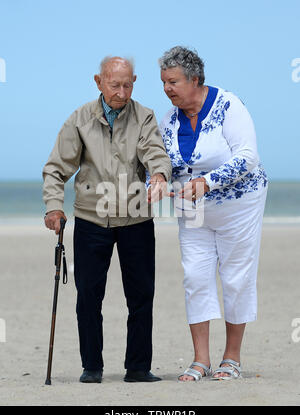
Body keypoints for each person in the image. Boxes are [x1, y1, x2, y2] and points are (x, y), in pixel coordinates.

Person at [43, 56, 172, 383]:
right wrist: (54, 207)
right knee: (88, 296)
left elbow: (154, 151)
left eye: (128, 84)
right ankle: (92, 367)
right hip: (91, 220)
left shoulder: (144, 116)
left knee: (141, 295)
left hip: (136, 220)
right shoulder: (80, 119)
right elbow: (56, 168)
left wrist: (158, 174)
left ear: (134, 81)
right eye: (114, 85)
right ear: (99, 81)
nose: (122, 92)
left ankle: (139, 368)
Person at [158, 46, 268, 381]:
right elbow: (161, 162)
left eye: (173, 81)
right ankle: (200, 360)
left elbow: (247, 156)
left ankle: (231, 358)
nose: (167, 89)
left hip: (240, 206)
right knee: (195, 277)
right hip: (192, 211)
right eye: (163, 82)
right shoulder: (168, 120)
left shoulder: (228, 105)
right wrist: (157, 180)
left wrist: (207, 181)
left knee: (236, 277)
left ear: (194, 79)